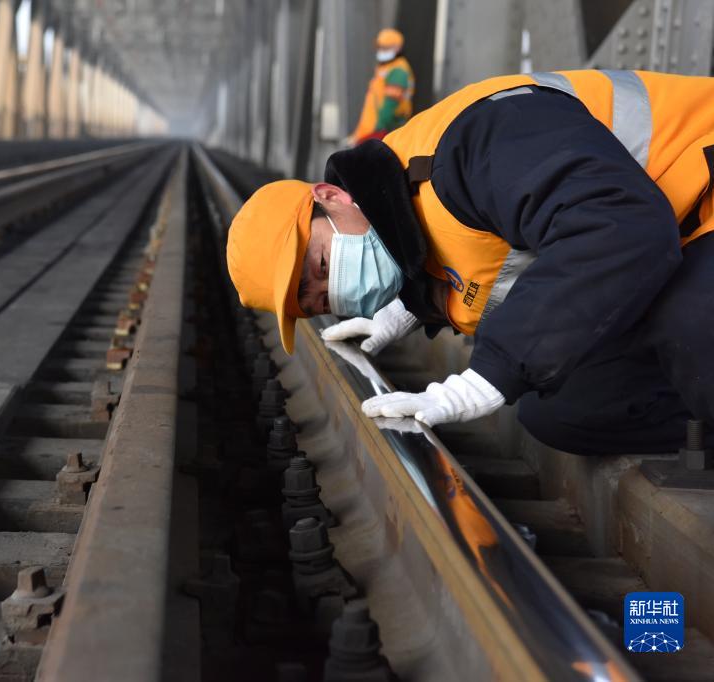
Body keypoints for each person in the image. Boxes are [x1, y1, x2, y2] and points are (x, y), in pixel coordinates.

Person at [226, 69, 714, 455]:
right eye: (318, 302)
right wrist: (419, 302)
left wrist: (488, 376)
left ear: (331, 196)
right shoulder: (403, 211)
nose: (335, 294)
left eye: (323, 268)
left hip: (697, 192)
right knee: (569, 412)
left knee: (693, 323)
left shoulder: (470, 147)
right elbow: (492, 253)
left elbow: (619, 226)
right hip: (670, 237)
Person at [345, 28, 415, 145]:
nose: (381, 51)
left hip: (382, 131)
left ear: (397, 48)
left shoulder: (398, 70)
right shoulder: (386, 68)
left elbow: (390, 105)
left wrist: (378, 129)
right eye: (380, 47)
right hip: (370, 130)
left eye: (386, 48)